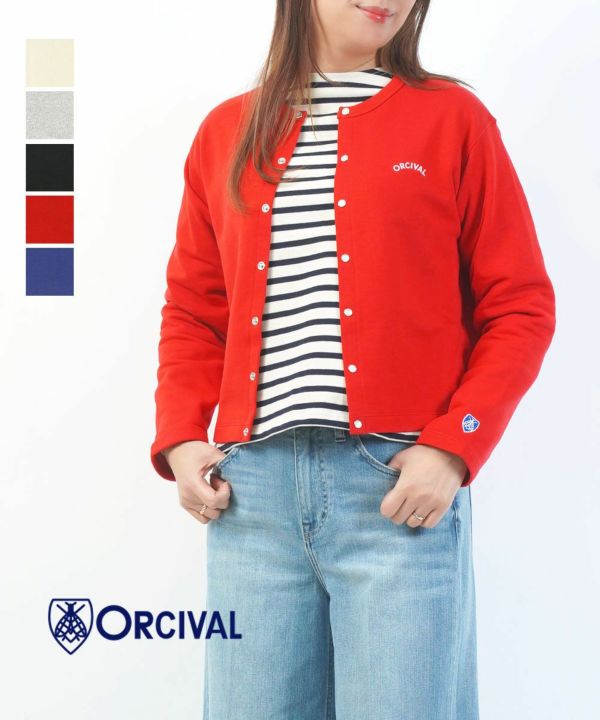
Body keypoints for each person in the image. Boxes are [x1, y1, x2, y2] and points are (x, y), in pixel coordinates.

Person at [150, 1, 556, 718]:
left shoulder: (453, 120)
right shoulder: (225, 132)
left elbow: (520, 304)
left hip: (397, 495)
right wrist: (180, 435)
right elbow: (193, 309)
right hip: (251, 502)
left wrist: (454, 447)